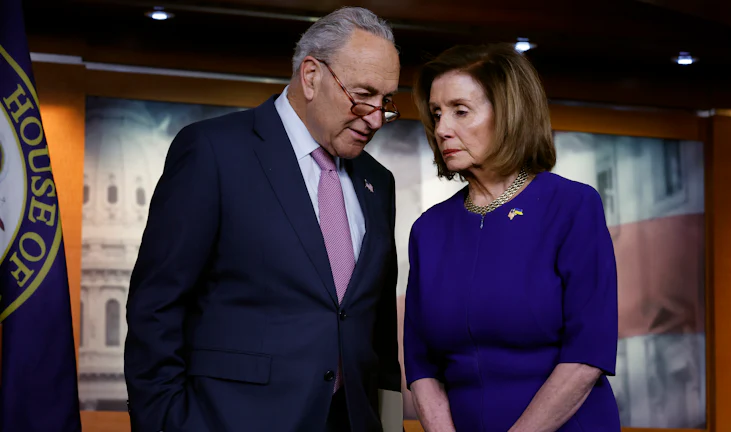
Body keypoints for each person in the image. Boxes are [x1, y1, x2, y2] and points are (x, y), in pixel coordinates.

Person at [124, 7, 403, 432]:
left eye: (386, 102)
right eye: (363, 95)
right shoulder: (213, 153)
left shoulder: (377, 181)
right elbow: (156, 309)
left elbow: (377, 332)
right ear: (311, 76)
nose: (376, 118)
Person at [403, 43, 621, 431]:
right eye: (436, 114)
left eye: (460, 111)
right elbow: (421, 364)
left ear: (508, 114)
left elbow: (588, 353)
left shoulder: (572, 206)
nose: (441, 129)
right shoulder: (428, 229)